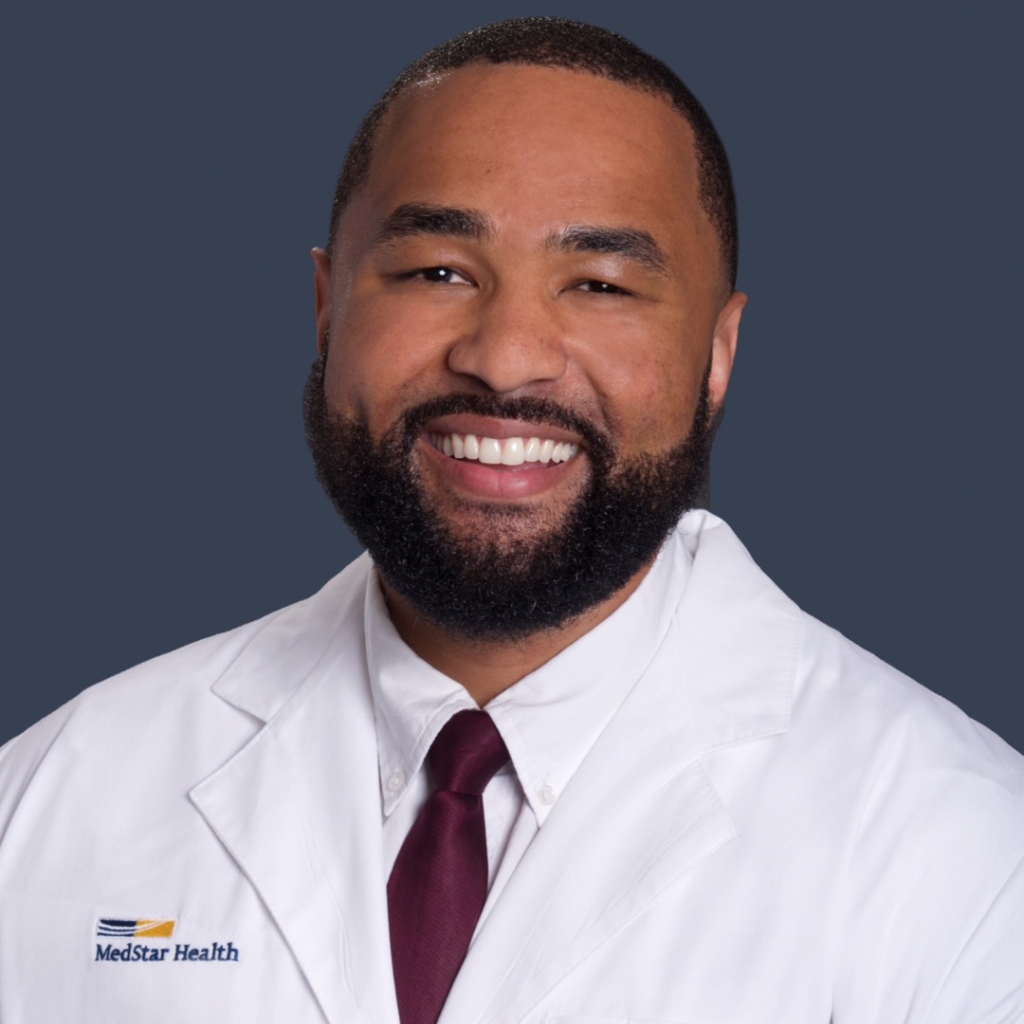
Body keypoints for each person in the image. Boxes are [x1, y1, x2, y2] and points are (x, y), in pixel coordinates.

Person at [1, 16, 1022, 1023]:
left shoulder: (964, 855)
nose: (505, 355)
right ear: (326, 307)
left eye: (600, 283)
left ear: (718, 355)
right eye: (437, 271)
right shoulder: (52, 793)